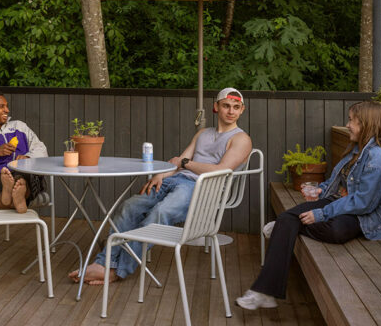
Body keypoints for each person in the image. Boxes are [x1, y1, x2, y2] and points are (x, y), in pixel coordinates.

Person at [70, 87, 253, 285]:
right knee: (129, 207)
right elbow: (177, 162)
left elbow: (218, 170)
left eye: (236, 107)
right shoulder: (202, 133)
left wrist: (184, 164)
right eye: (226, 106)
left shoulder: (241, 139)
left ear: (242, 110)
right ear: (216, 107)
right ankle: (104, 264)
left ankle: (115, 269)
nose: (231, 111)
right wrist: (161, 174)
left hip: (201, 188)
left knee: (160, 212)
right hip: (175, 180)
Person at [236, 100, 381, 310]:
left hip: (362, 217)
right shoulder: (356, 150)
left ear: (367, 124)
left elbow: (362, 203)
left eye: (352, 121)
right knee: (285, 218)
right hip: (338, 202)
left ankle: (284, 230)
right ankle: (265, 292)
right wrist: (321, 189)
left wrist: (321, 213)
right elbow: (338, 180)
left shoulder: (376, 158)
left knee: (332, 230)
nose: (348, 125)